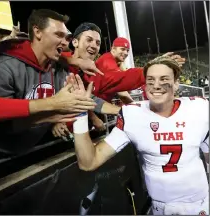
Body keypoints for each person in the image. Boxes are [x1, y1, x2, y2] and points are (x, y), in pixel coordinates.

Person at [67, 56, 209, 215]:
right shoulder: (133, 115)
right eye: (150, 80)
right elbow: (89, 162)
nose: (156, 85)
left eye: (164, 79)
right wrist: (79, 113)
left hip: (199, 205)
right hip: (159, 207)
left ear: (176, 83)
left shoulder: (199, 108)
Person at [0, 2, 101, 124]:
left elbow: (23, 50)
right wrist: (52, 104)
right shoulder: (1, 68)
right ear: (37, 32)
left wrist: (72, 60)